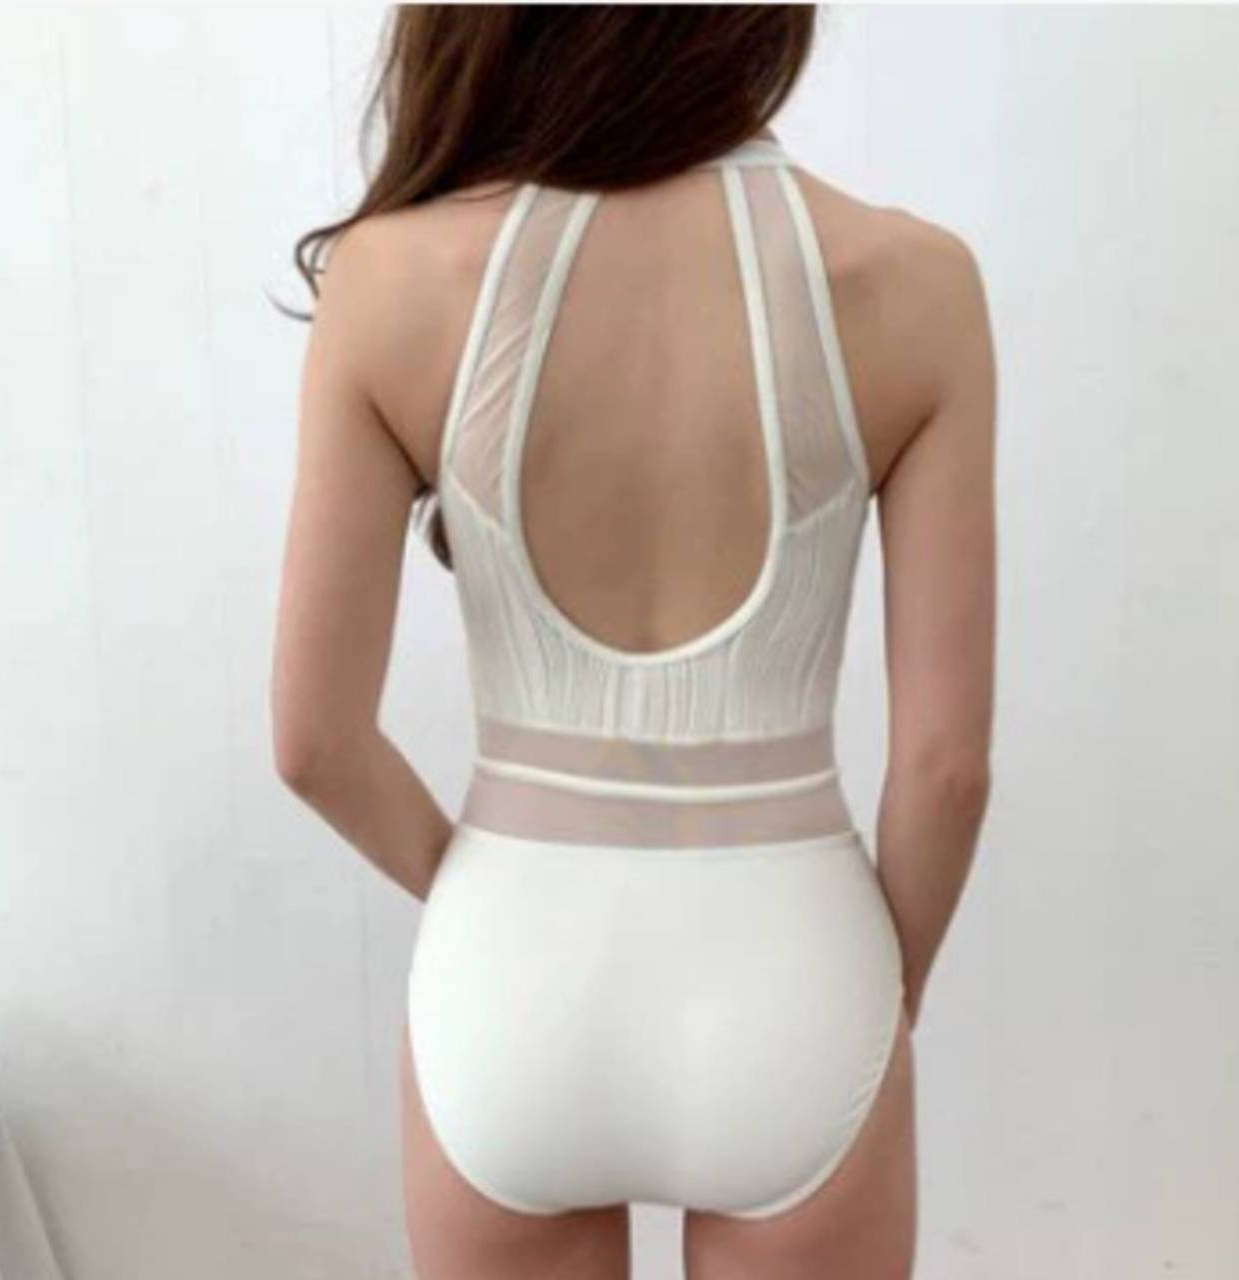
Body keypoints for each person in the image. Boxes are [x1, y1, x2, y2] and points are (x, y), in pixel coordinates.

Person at [270, 6, 995, 1278]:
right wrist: (884, 996)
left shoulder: (390, 281)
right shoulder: (910, 281)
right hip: (791, 959)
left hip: (511, 979)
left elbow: (312, 742)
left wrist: (484, 887)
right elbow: (943, 768)